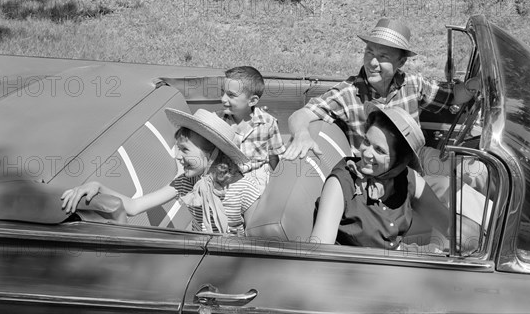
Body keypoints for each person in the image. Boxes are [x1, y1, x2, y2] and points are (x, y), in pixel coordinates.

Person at [282, 18, 480, 168]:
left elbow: (453, 95)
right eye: (369, 53)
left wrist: (475, 85)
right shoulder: (348, 93)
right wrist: (301, 134)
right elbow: (301, 114)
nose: (372, 63)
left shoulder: (412, 84)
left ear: (401, 63)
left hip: (412, 167)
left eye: (383, 56)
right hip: (372, 175)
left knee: (471, 174)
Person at [61, 108, 262, 236]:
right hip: (197, 253)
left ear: (213, 154)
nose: (177, 156)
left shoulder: (244, 187)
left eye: (185, 150)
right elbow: (133, 206)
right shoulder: (186, 183)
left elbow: (258, 238)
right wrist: (98, 186)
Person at [311, 104, 450, 249]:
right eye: (366, 141)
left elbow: (449, 227)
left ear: (400, 161)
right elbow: (319, 253)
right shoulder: (341, 183)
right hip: (359, 267)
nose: (366, 153)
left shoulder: (409, 179)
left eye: (379, 150)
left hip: (396, 262)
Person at [217, 66, 286, 192]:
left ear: (252, 101)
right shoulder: (218, 121)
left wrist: (277, 187)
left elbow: (275, 156)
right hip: (227, 184)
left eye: (231, 95)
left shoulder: (268, 123)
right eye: (222, 92)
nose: (223, 99)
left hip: (257, 183)